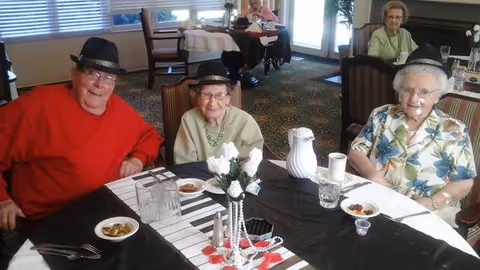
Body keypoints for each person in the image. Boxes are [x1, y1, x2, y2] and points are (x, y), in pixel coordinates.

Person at [0, 37, 164, 229]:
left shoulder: (119, 110)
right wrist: (3, 200)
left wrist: (138, 159)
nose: (100, 85)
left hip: (108, 212)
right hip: (48, 221)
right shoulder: (37, 106)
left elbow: (150, 136)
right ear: (74, 75)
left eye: (109, 78)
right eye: (93, 74)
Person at [349, 44, 475, 225]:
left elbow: (464, 182)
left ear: (438, 95)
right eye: (408, 90)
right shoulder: (382, 115)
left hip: (428, 214)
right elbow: (356, 151)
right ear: (399, 90)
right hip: (375, 203)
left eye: (424, 92)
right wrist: (373, 176)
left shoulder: (454, 130)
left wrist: (431, 203)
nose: (415, 99)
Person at [174, 61, 264, 164]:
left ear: (228, 97)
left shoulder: (245, 122)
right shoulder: (189, 120)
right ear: (198, 97)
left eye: (219, 95)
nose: (212, 103)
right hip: (198, 179)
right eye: (206, 95)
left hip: (234, 179)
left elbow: (253, 162)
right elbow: (184, 166)